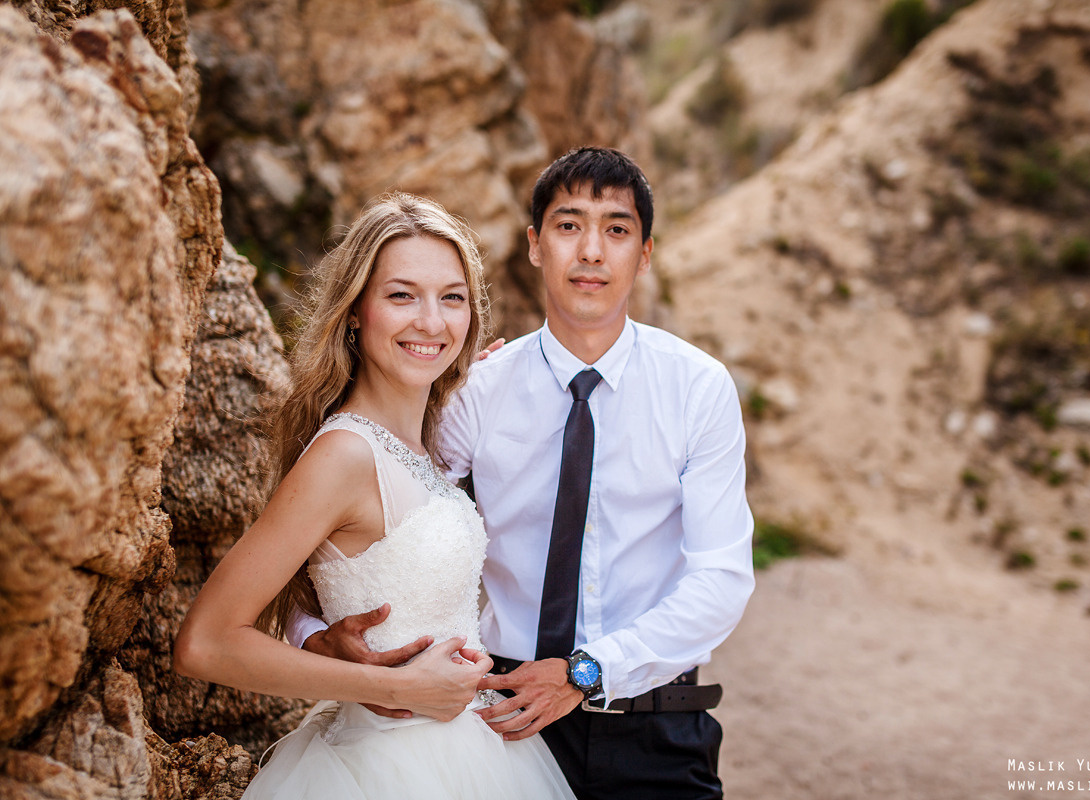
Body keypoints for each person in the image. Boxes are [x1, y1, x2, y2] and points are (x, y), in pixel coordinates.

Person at [293, 147, 756, 799]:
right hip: (501, 723)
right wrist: (315, 637)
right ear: (536, 246)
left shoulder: (697, 388)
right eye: (569, 225)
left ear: (644, 253)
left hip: (655, 726)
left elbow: (721, 578)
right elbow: (381, 522)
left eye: (616, 230)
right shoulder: (475, 393)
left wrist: (585, 671)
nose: (591, 251)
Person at [173, 192, 575, 799]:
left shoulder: (421, 448)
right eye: (401, 295)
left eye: (452, 298)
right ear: (356, 311)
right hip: (387, 767)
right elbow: (204, 642)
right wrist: (398, 689)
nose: (431, 322)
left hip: (474, 755)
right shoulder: (345, 455)